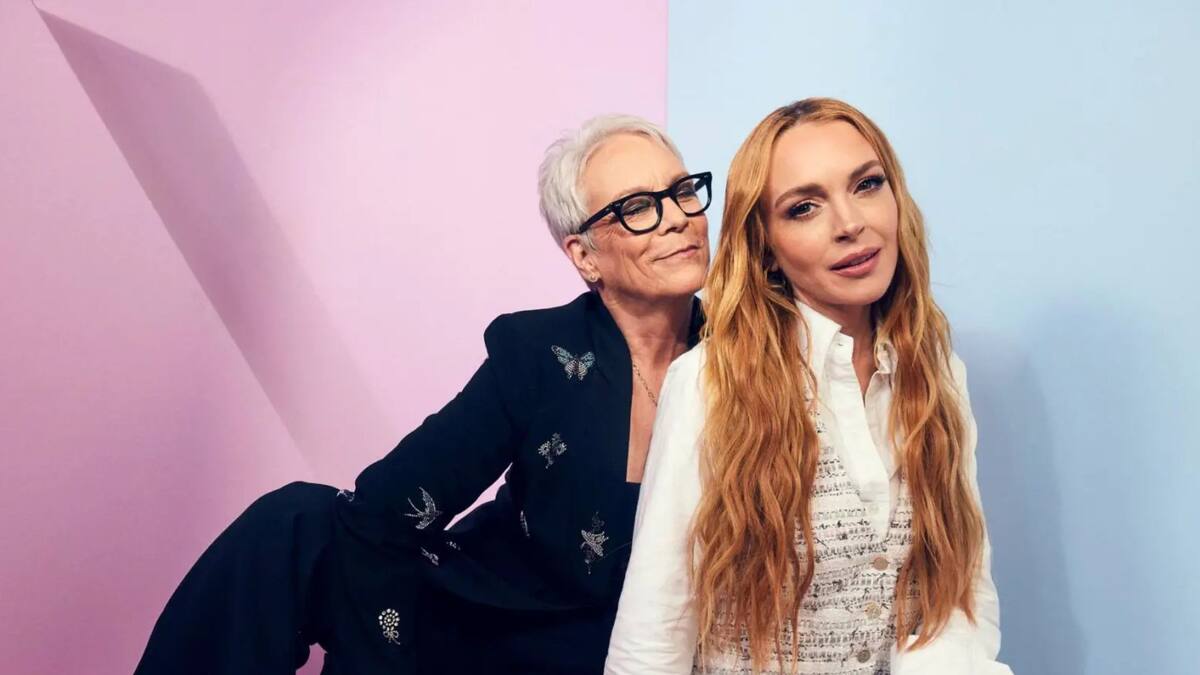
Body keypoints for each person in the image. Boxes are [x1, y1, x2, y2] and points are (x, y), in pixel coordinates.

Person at [134, 113, 711, 675]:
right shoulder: (540, 352)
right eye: (638, 207)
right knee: (295, 522)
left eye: (683, 192)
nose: (677, 218)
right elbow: (384, 511)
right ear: (585, 256)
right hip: (488, 616)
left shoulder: (743, 363)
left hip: (614, 648)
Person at [605, 98, 1013, 674]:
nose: (850, 224)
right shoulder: (709, 383)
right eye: (804, 208)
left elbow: (961, 597)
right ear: (765, 246)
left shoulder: (938, 371)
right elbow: (653, 635)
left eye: (867, 184)